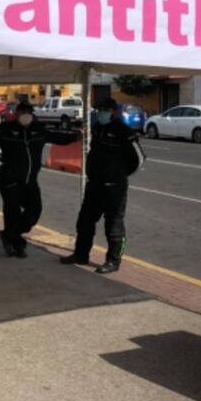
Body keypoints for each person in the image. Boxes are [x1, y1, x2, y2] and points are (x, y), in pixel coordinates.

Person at [0, 101, 82, 258]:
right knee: (12, 213)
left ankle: (10, 235)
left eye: (28, 112)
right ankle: (16, 245)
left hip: (30, 182)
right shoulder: (6, 130)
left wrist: (77, 136)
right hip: (10, 181)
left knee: (34, 212)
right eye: (22, 112)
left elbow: (58, 137)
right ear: (17, 114)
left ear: (32, 114)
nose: (25, 115)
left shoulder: (38, 131)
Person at [60, 98, 145, 274]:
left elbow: (139, 159)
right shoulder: (97, 128)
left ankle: (113, 261)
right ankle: (81, 254)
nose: (100, 113)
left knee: (113, 226)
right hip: (95, 185)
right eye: (99, 110)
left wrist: (119, 174)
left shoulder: (124, 132)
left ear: (113, 112)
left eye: (104, 110)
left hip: (114, 187)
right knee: (84, 222)